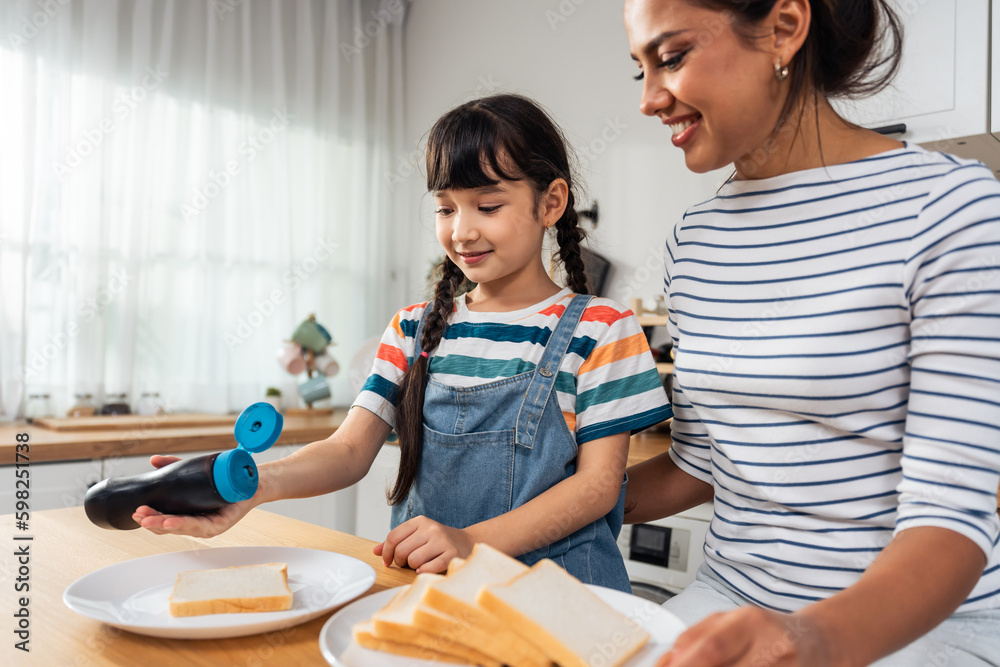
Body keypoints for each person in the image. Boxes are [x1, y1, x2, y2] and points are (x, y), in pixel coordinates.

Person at [133, 93, 673, 591]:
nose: (461, 230)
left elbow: (598, 488)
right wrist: (247, 486)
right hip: (433, 596)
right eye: (445, 208)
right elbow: (347, 452)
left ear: (551, 202)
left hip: (566, 603)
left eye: (487, 207)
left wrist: (470, 542)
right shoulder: (413, 329)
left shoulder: (603, 327)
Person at [622, 0, 1000, 665]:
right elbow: (702, 462)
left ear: (785, 28)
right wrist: (537, 492)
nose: (651, 99)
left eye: (672, 57)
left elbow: (951, 518)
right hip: (731, 599)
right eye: (639, 71)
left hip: (918, 628)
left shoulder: (951, 209)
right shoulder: (695, 242)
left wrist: (808, 639)